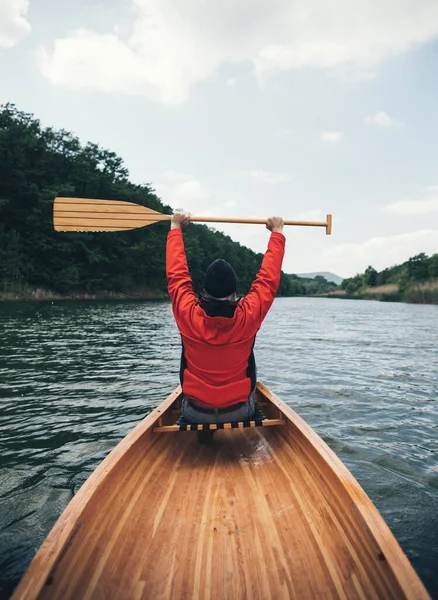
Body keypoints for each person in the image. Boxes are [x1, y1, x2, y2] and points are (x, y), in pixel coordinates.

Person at [166, 211, 285, 439]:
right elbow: (267, 281)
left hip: (195, 413)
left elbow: (177, 276)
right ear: (234, 293)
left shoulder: (187, 313)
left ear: (204, 292)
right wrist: (277, 234)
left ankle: (204, 434)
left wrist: (175, 228)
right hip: (239, 411)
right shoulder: (248, 315)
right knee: (249, 356)